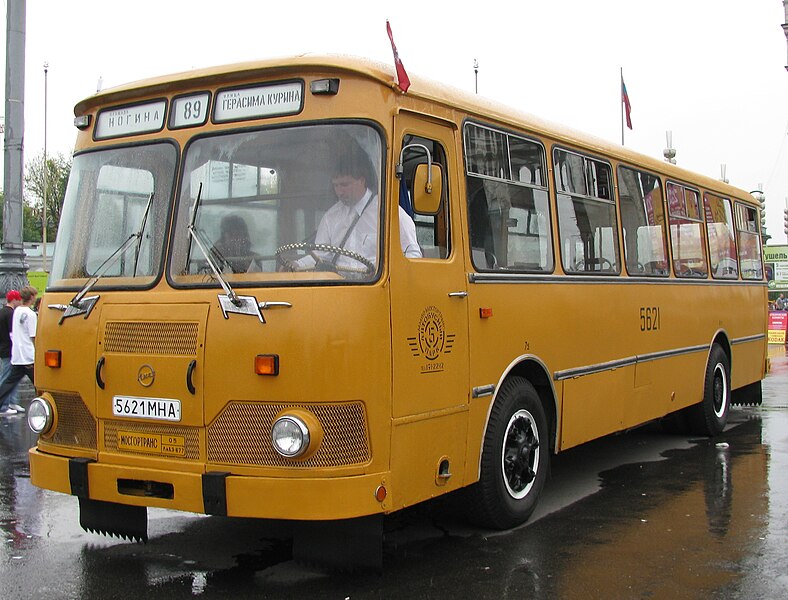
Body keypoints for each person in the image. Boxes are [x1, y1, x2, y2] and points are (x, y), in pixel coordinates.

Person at [291, 148, 421, 271]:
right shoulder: (330, 217)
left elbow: (412, 255)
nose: (339, 192)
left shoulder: (390, 213)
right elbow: (320, 256)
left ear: (362, 181)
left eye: (345, 184)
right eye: (336, 185)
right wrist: (297, 265)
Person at [0, 286, 37, 416]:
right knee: (39, 383)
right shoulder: (31, 314)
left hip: (17, 355)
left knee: (8, 382)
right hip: (28, 355)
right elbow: (33, 335)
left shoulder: (16, 312)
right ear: (32, 297)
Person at [0, 290, 23, 416]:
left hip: (3, 348)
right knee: (6, 378)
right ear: (14, 300)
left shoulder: (2, 312)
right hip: (10, 349)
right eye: (18, 300)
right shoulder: (11, 314)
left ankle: (11, 401)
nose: (20, 302)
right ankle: (3, 405)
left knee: (11, 378)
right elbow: (13, 333)